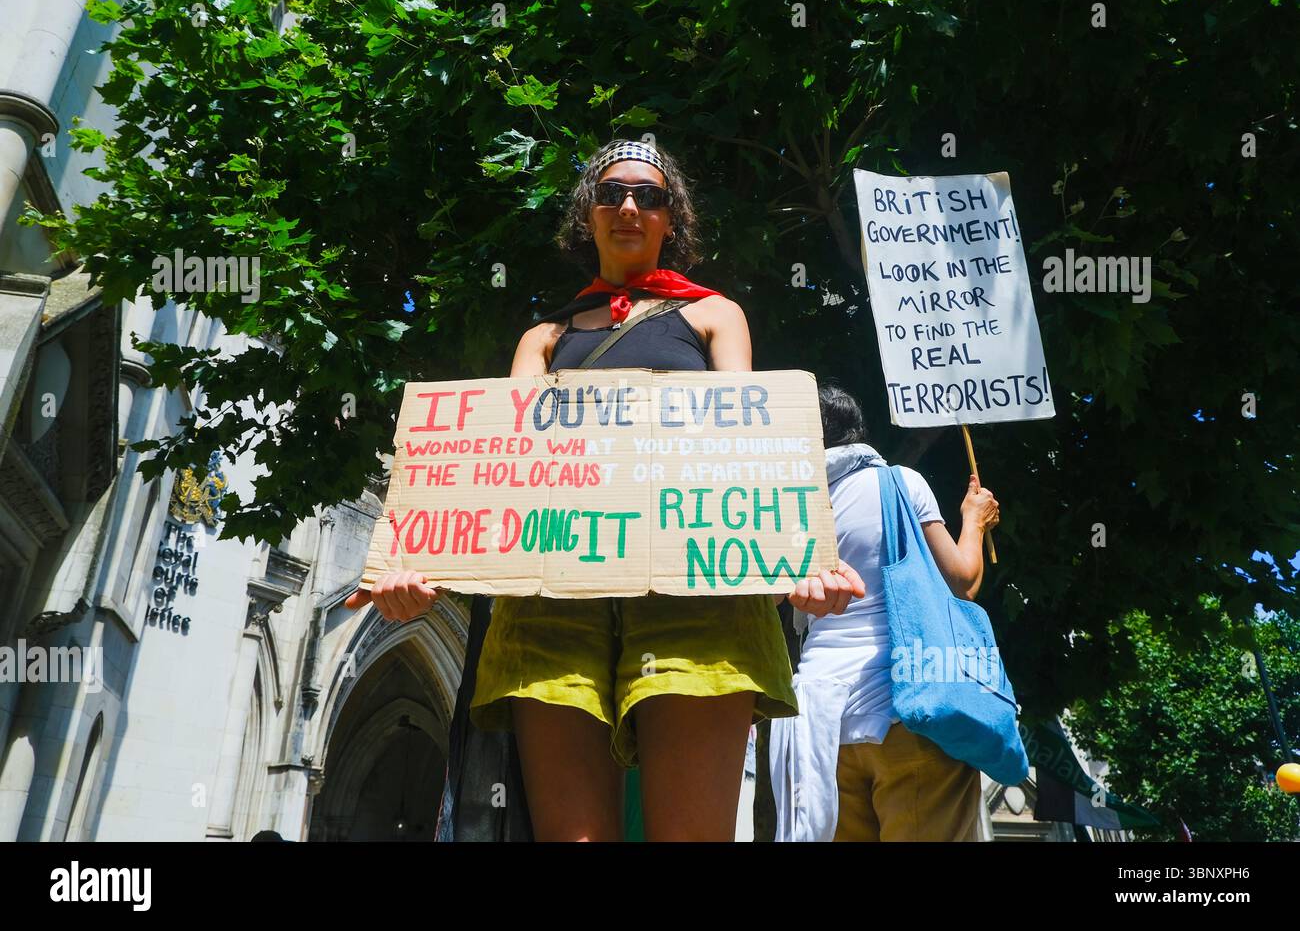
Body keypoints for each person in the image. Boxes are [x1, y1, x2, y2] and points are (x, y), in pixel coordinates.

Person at [345, 138, 863, 841]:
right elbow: (500, 473)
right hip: (554, 611)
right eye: (611, 192)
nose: (628, 206)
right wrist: (420, 572)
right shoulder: (543, 340)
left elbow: (752, 449)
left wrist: (797, 563)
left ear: (671, 220)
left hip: (697, 605)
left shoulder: (717, 316)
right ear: (585, 216)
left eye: (649, 196)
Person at [769, 382, 1000, 842]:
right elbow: (963, 581)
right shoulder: (898, 482)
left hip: (823, 731)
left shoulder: (782, 506)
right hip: (909, 712)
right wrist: (975, 520)